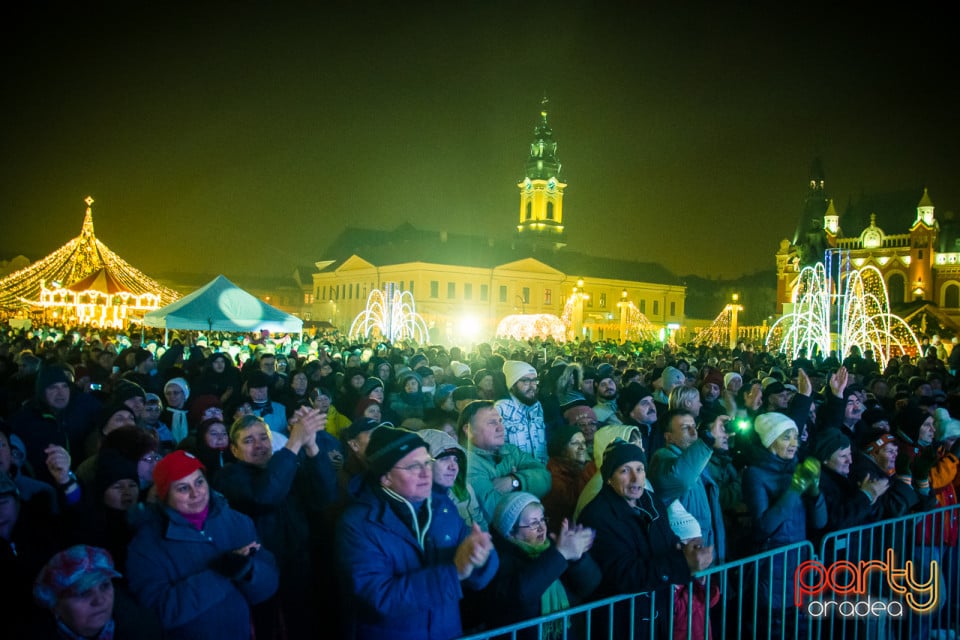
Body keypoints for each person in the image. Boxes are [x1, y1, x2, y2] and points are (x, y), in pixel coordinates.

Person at [334, 425, 499, 640]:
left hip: (446, 630)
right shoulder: (359, 524)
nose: (425, 474)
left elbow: (475, 573)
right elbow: (379, 598)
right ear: (386, 478)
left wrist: (481, 557)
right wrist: (454, 572)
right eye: (413, 466)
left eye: (427, 463)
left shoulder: (443, 507)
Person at [125, 450, 279, 640]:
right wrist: (218, 575)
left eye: (199, 482)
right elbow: (158, 612)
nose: (195, 493)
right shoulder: (147, 546)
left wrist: (249, 572)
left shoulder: (237, 522)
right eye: (182, 488)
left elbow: (269, 584)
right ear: (165, 495)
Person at [214, 407, 338, 640]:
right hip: (261, 569)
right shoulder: (229, 476)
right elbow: (265, 495)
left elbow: (326, 496)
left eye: (263, 437)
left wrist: (311, 446)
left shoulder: (288, 466)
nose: (259, 445)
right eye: (248, 440)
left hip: (301, 563)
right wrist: (294, 442)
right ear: (234, 449)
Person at [577, 440, 713, 639]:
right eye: (625, 470)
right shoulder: (597, 516)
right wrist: (683, 564)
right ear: (609, 478)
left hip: (658, 611)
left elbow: (667, 540)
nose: (635, 478)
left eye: (640, 469)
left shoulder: (650, 501)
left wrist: (688, 556)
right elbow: (624, 574)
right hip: (624, 621)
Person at [741, 412, 826, 638]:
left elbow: (820, 521)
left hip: (800, 563)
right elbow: (764, 526)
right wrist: (796, 487)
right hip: (772, 566)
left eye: (796, 437)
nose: (794, 444)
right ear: (770, 441)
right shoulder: (756, 474)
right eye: (786, 437)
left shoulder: (797, 467)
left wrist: (815, 490)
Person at [481, 491, 600, 638]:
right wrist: (561, 554)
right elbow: (520, 596)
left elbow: (590, 585)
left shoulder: (551, 549)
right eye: (533, 523)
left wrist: (578, 557)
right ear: (511, 531)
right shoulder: (498, 561)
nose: (542, 528)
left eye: (543, 520)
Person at [31, 544, 162, 640]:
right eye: (83, 593)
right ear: (55, 606)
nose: (100, 600)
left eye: (105, 586)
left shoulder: (144, 628)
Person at [649, 408, 727, 563]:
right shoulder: (662, 458)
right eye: (685, 428)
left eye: (694, 427)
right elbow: (680, 478)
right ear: (669, 437)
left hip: (704, 553)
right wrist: (708, 439)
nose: (694, 433)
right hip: (685, 558)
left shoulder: (698, 460)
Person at [462, 400, 552, 523]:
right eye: (492, 423)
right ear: (469, 430)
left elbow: (546, 478)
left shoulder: (510, 451)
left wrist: (515, 481)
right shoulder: (465, 464)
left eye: (500, 421)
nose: (501, 428)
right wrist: (528, 485)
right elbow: (497, 512)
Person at [419, 427, 488, 530]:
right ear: (423, 463)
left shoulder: (465, 488)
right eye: (444, 458)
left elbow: (481, 524)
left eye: (456, 460)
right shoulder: (418, 505)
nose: (453, 466)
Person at [497, 360, 549, 464]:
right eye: (526, 381)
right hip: (516, 475)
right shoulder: (500, 409)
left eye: (534, 380)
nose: (532, 386)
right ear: (512, 384)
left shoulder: (537, 406)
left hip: (540, 472)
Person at [541, 422, 591, 531]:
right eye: (575, 443)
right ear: (561, 448)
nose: (582, 447)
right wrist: (591, 468)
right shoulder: (553, 475)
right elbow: (573, 501)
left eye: (583, 442)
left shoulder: (577, 467)